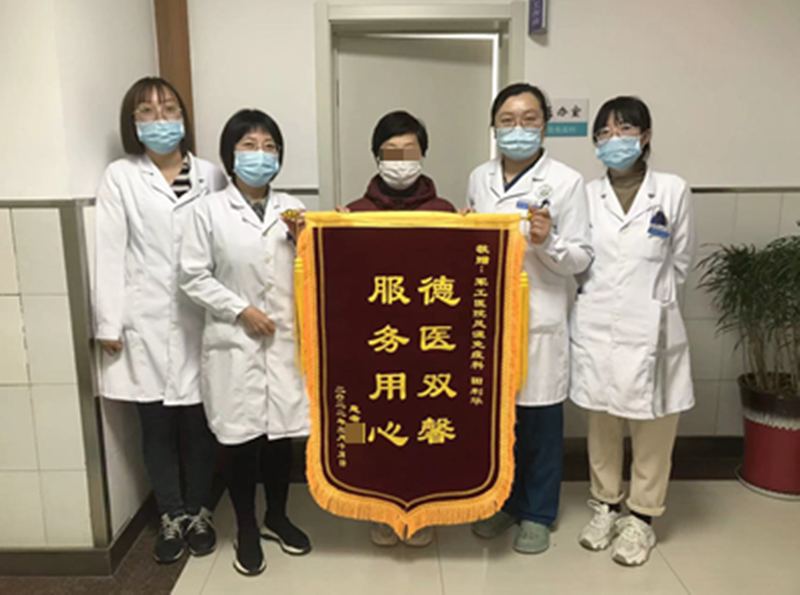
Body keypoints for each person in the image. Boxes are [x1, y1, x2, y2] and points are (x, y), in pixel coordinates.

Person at [94, 76, 226, 564]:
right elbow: (110, 251)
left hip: (201, 318)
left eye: (169, 109)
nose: (160, 120)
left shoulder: (210, 174)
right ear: (132, 123)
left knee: (199, 423)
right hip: (144, 321)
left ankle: (200, 511)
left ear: (184, 117)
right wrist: (108, 324)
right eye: (147, 112)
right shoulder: (121, 176)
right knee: (155, 425)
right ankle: (171, 513)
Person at [180, 109, 311, 576]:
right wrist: (241, 309)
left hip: (285, 343)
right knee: (241, 441)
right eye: (249, 146)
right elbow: (192, 276)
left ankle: (277, 516)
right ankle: (247, 528)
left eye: (270, 146)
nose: (261, 155)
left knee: (279, 437)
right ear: (230, 156)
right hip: (235, 342)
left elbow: (316, 270)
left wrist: (306, 241)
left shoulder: (293, 210)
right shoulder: (207, 211)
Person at [467, 83, 592, 554]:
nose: (517, 128)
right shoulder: (479, 177)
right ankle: (504, 502)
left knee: (539, 423)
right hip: (490, 320)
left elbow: (581, 257)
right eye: (507, 120)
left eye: (529, 119)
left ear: (544, 125)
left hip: (541, 318)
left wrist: (547, 242)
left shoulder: (567, 182)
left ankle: (538, 513)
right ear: (494, 127)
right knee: (500, 423)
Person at [570, 96, 695, 566]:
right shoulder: (586, 194)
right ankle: (605, 505)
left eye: (624, 130)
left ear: (645, 136)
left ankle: (642, 518)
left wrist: (651, 304)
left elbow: (681, 261)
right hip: (597, 323)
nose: (614, 140)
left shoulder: (672, 190)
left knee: (653, 427)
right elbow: (578, 258)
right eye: (604, 133)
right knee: (601, 422)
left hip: (652, 327)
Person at [346, 110, 455, 547]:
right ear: (376, 157)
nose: (401, 161)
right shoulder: (352, 214)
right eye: (391, 152)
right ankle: (380, 510)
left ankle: (422, 509)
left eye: (409, 151)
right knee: (376, 432)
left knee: (424, 431)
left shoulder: (446, 213)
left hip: (427, 347)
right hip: (374, 348)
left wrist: (472, 235)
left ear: (423, 154)